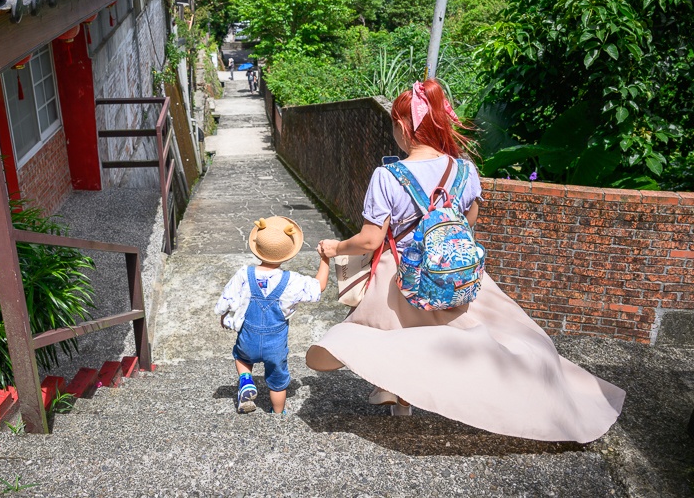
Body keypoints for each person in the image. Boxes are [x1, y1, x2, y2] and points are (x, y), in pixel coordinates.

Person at [305, 79, 625, 442]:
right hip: (452, 271)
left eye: (395, 123)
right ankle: (409, 392)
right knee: (487, 338)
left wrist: (335, 248)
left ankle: (398, 393)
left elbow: (371, 238)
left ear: (404, 127)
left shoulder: (388, 175)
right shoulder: (464, 169)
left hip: (402, 271)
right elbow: (468, 222)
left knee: (390, 332)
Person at [216, 216, 330, 414]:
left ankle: (246, 381)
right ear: (287, 255)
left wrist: (224, 317)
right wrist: (325, 259)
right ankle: (278, 413)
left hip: (248, 339)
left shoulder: (244, 274)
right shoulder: (292, 281)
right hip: (275, 345)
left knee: (241, 358)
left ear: (258, 248)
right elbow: (318, 287)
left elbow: (226, 299)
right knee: (278, 380)